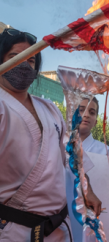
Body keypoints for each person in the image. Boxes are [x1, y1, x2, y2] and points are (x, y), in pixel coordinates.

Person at [0, 26, 101, 241]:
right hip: (13, 229)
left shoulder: (49, 108)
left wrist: (87, 190)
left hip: (58, 229)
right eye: (14, 57)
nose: (23, 64)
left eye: (30, 61)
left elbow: (72, 156)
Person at [77, 96, 109, 209]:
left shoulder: (104, 151)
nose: (86, 114)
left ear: (95, 121)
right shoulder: (60, 144)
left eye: (91, 112)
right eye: (81, 110)